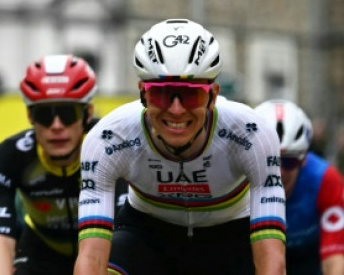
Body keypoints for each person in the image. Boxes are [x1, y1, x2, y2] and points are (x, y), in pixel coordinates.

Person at [74, 18, 287, 275]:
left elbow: (273, 261)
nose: (176, 110)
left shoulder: (251, 134)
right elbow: (90, 259)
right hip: (146, 236)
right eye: (161, 94)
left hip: (229, 238)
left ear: (213, 96)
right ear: (143, 93)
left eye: (190, 94)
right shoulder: (108, 139)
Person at [0, 54, 97, 275]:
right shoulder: (10, 156)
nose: (57, 126)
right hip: (41, 249)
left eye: (67, 113)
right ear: (30, 115)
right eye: (45, 115)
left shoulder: (108, 146)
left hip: (102, 246)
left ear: (88, 114)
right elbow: (1, 240)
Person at [254, 99, 344, 275]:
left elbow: (335, 259)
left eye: (288, 161)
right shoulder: (238, 180)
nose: (278, 172)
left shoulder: (325, 179)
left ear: (303, 160)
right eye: (268, 161)